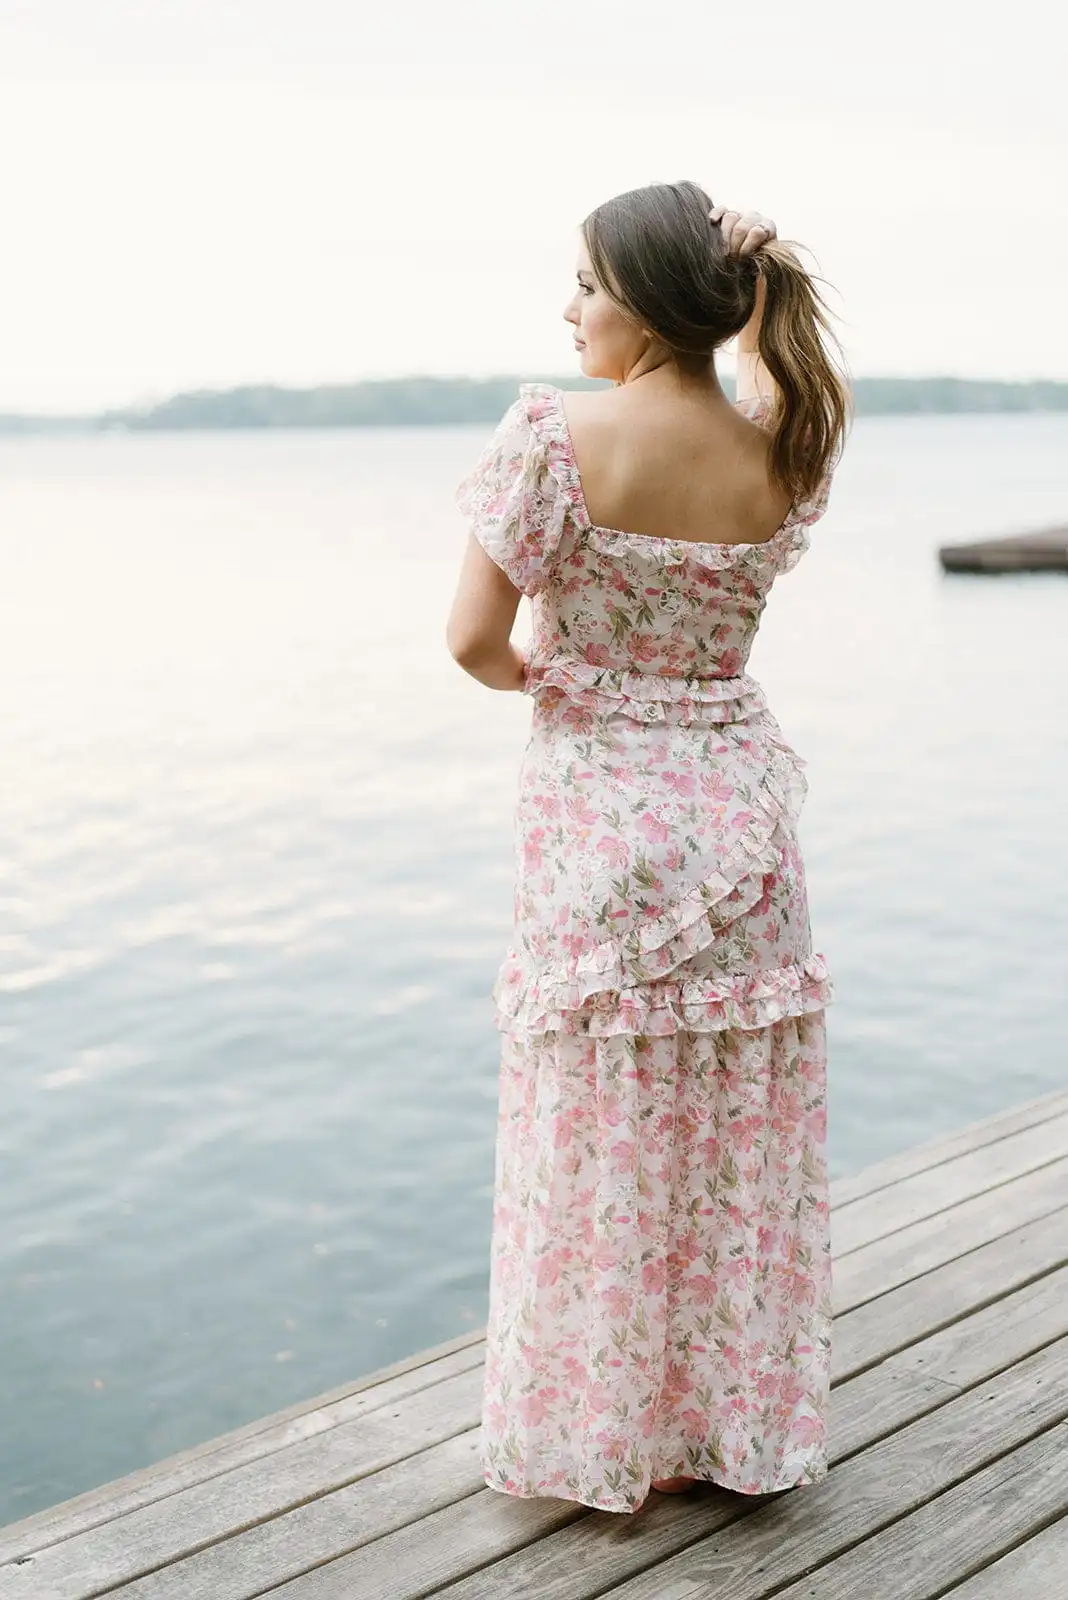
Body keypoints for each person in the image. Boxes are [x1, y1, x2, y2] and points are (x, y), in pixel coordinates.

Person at [446, 179, 852, 1516]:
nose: (567, 307)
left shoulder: (553, 438)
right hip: (742, 827)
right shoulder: (783, 447)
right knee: (729, 1136)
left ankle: (601, 1436)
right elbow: (783, 386)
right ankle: (722, 1433)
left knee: (600, 1130)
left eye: (583, 282)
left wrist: (556, 687)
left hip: (604, 825)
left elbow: (472, 643)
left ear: (641, 300)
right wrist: (750, 287)